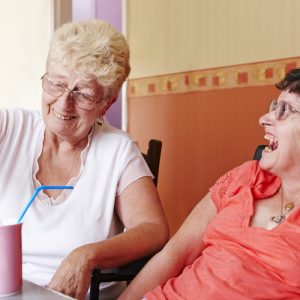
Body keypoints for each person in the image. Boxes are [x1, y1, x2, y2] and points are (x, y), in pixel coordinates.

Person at [0, 19, 169, 300]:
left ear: (107, 102)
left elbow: (153, 229)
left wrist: (87, 255)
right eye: (56, 83)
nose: (64, 103)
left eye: (84, 94)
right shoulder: (10, 128)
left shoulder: (117, 150)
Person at [119, 68, 300, 300]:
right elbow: (175, 254)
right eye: (274, 107)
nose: (264, 119)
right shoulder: (245, 177)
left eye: (284, 111)